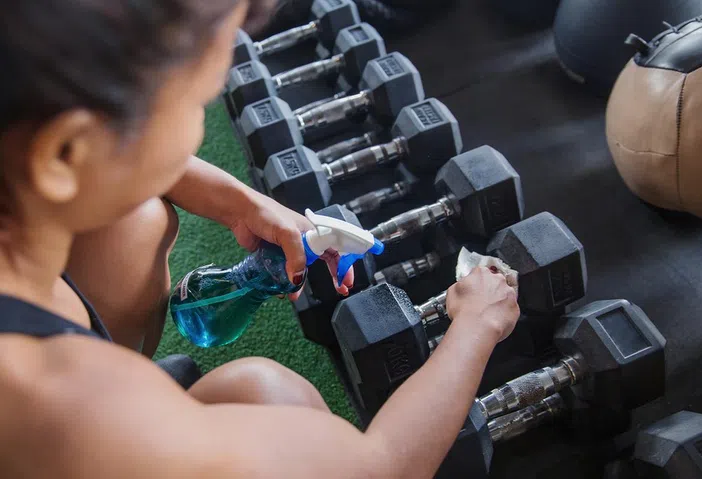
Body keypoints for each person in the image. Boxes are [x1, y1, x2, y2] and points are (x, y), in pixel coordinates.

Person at [0, 0, 520, 477]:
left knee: (135, 221)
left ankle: (129, 371)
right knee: (272, 396)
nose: (198, 127)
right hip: (86, 433)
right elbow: (379, 467)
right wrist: (476, 325)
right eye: (193, 105)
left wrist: (243, 203)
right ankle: (137, 396)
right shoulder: (58, 407)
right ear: (66, 152)